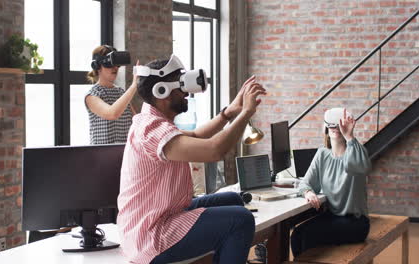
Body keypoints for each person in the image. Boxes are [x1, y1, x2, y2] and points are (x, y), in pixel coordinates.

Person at [116, 55, 266, 264]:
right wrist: (247, 112)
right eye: (181, 87)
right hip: (151, 234)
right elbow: (214, 150)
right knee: (240, 220)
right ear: (162, 91)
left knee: (233, 200)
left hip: (162, 214)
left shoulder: (154, 121)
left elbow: (195, 136)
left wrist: (229, 113)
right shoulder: (152, 129)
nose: (187, 93)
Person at [290, 108, 371, 257]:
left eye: (339, 126)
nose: (335, 129)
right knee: (297, 235)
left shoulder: (357, 151)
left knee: (308, 236)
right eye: (332, 126)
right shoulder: (322, 154)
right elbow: (305, 183)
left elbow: (358, 166)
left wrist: (350, 137)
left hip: (356, 222)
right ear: (326, 128)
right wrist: (308, 192)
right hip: (332, 217)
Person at [85, 45, 138, 144]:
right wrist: (134, 86)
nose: (115, 68)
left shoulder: (121, 92)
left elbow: (136, 121)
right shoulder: (92, 95)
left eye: (117, 64)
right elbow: (112, 114)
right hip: (101, 155)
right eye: (109, 64)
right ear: (97, 66)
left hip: (124, 154)